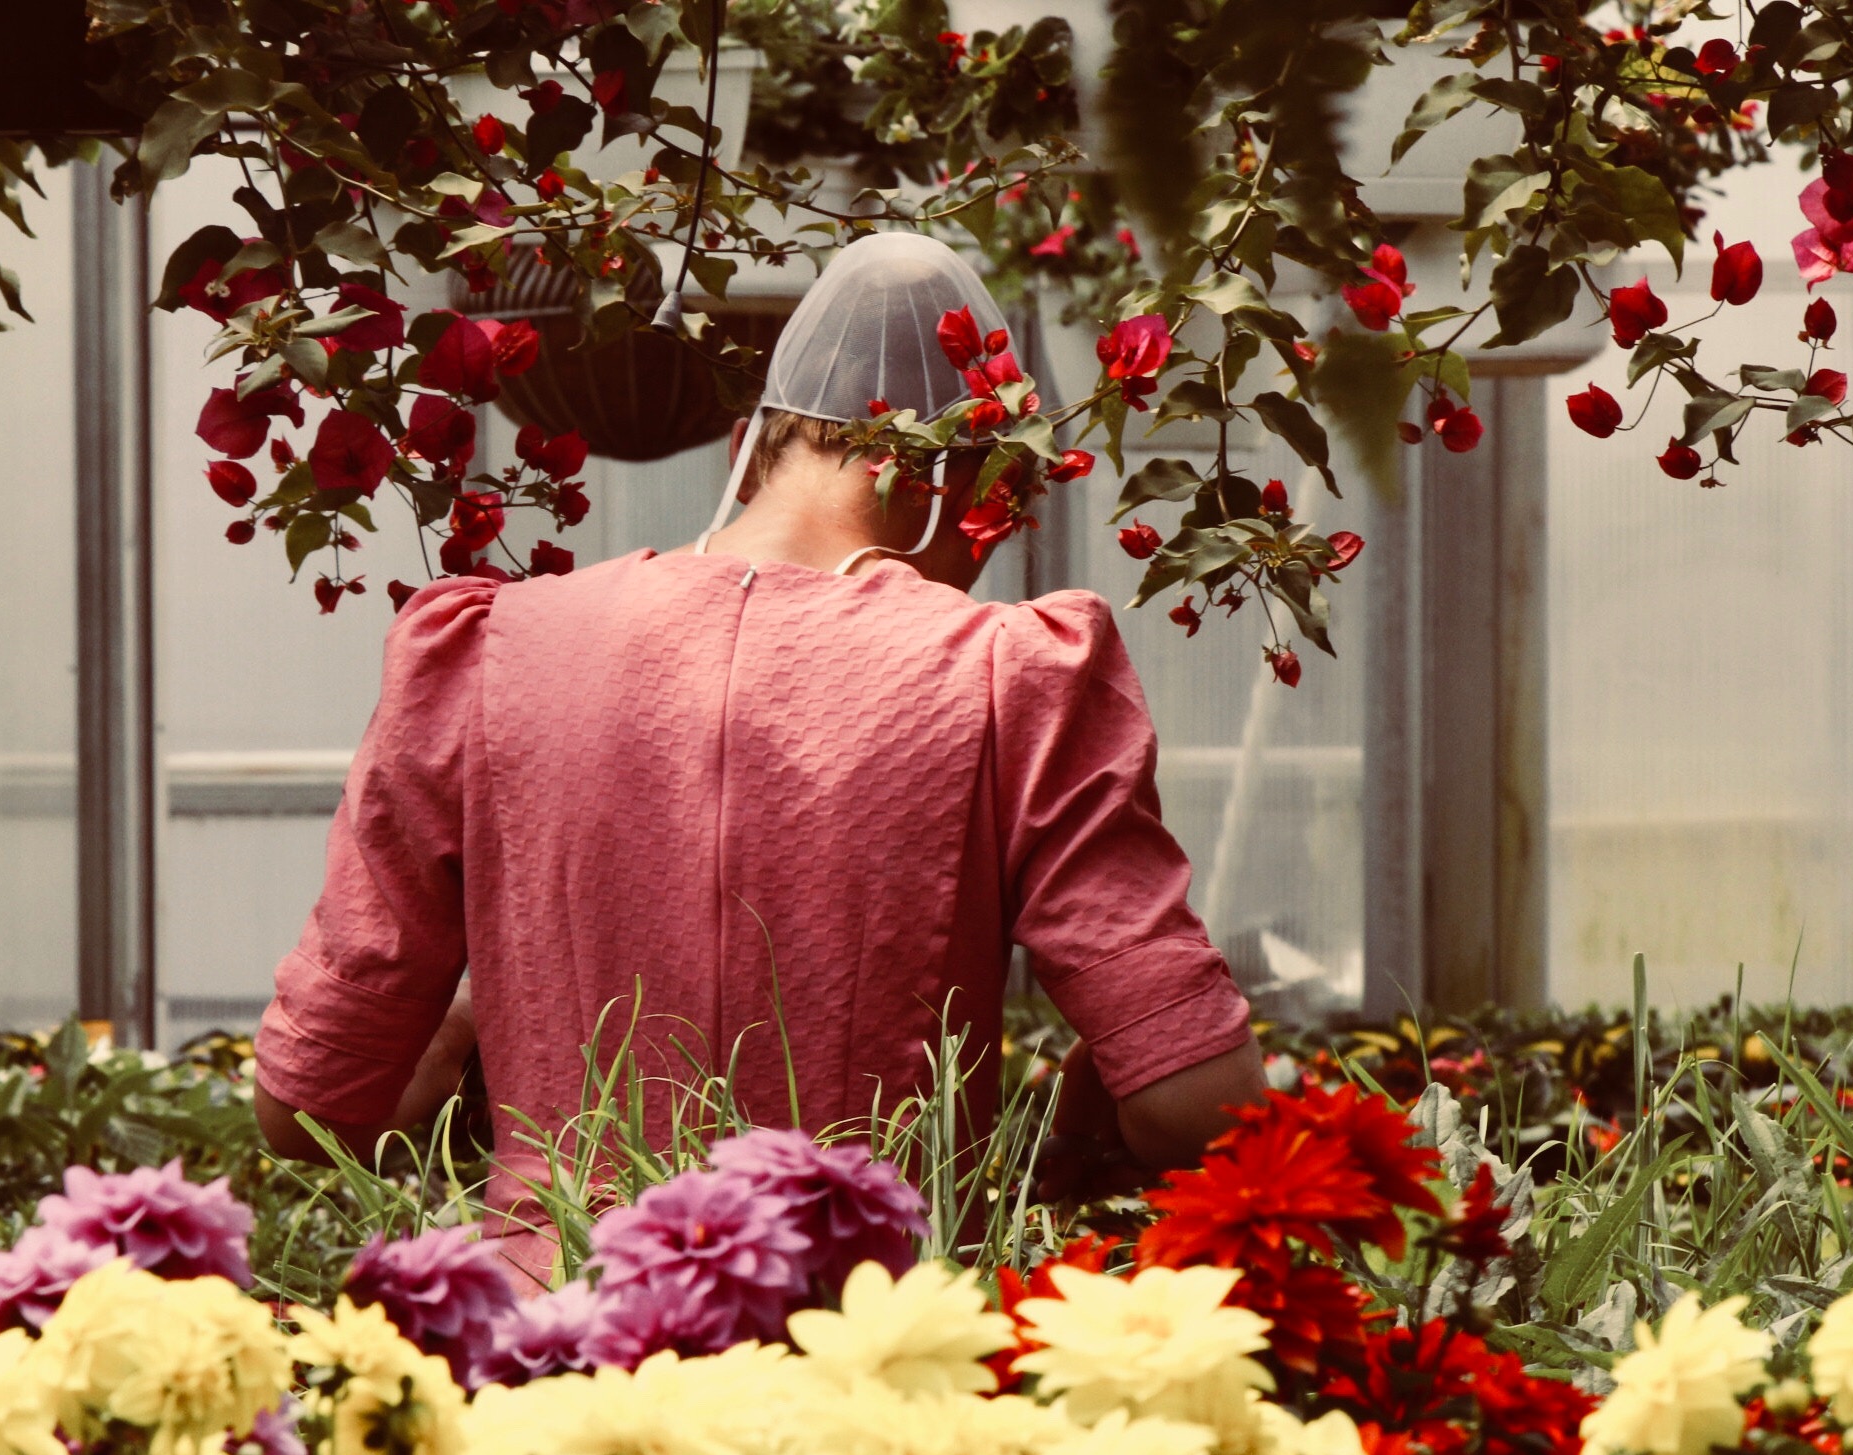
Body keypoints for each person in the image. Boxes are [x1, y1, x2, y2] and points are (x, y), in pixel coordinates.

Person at [251, 233, 1265, 1282]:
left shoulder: (488, 648)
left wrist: (489, 1015)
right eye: (998, 514)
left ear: (750, 445)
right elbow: (1197, 1103)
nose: (988, 552)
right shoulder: (1010, 672)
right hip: (863, 1358)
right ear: (957, 477)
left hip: (549, 1355)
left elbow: (308, 1108)